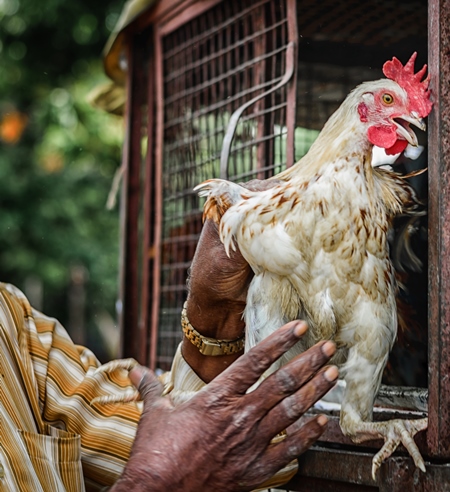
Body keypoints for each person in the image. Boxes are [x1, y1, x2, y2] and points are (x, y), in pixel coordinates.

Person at [0, 215, 338, 491]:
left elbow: (198, 447)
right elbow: (170, 466)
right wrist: (151, 485)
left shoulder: (9, 321)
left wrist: (211, 315)